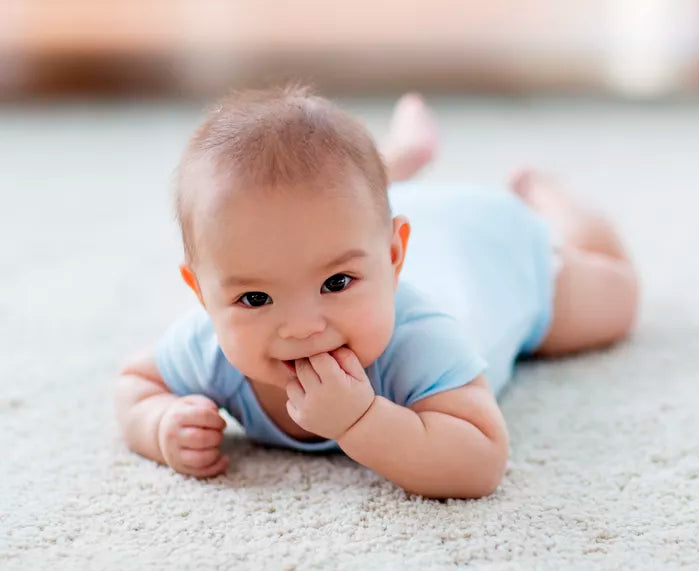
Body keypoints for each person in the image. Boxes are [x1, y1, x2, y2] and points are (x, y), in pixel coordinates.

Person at [114, 85, 638, 499]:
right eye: (254, 299)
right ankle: (400, 161)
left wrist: (361, 421)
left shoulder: (420, 338)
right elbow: (137, 382)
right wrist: (159, 424)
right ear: (202, 294)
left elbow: (480, 461)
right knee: (327, 203)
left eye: (336, 283)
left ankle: (551, 199)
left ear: (392, 258)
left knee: (617, 298)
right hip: (357, 224)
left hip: (491, 251)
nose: (302, 326)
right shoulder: (208, 345)